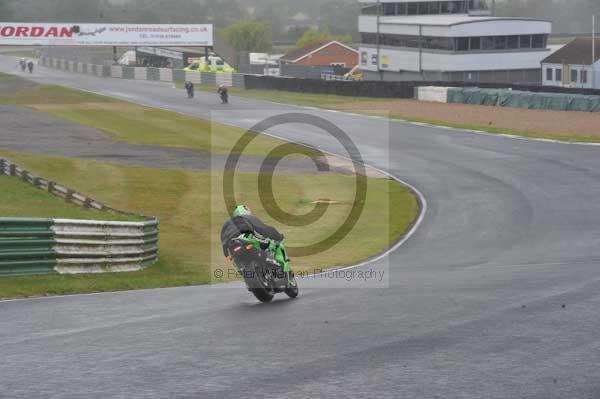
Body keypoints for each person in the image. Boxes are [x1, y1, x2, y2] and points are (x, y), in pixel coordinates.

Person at [221, 205, 289, 272]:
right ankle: (269, 260)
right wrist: (276, 236)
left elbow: (223, 239)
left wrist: (226, 254)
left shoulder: (226, 224)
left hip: (231, 244)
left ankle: (243, 270)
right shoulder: (247, 217)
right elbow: (262, 228)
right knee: (266, 244)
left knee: (235, 259)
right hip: (246, 237)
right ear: (246, 211)